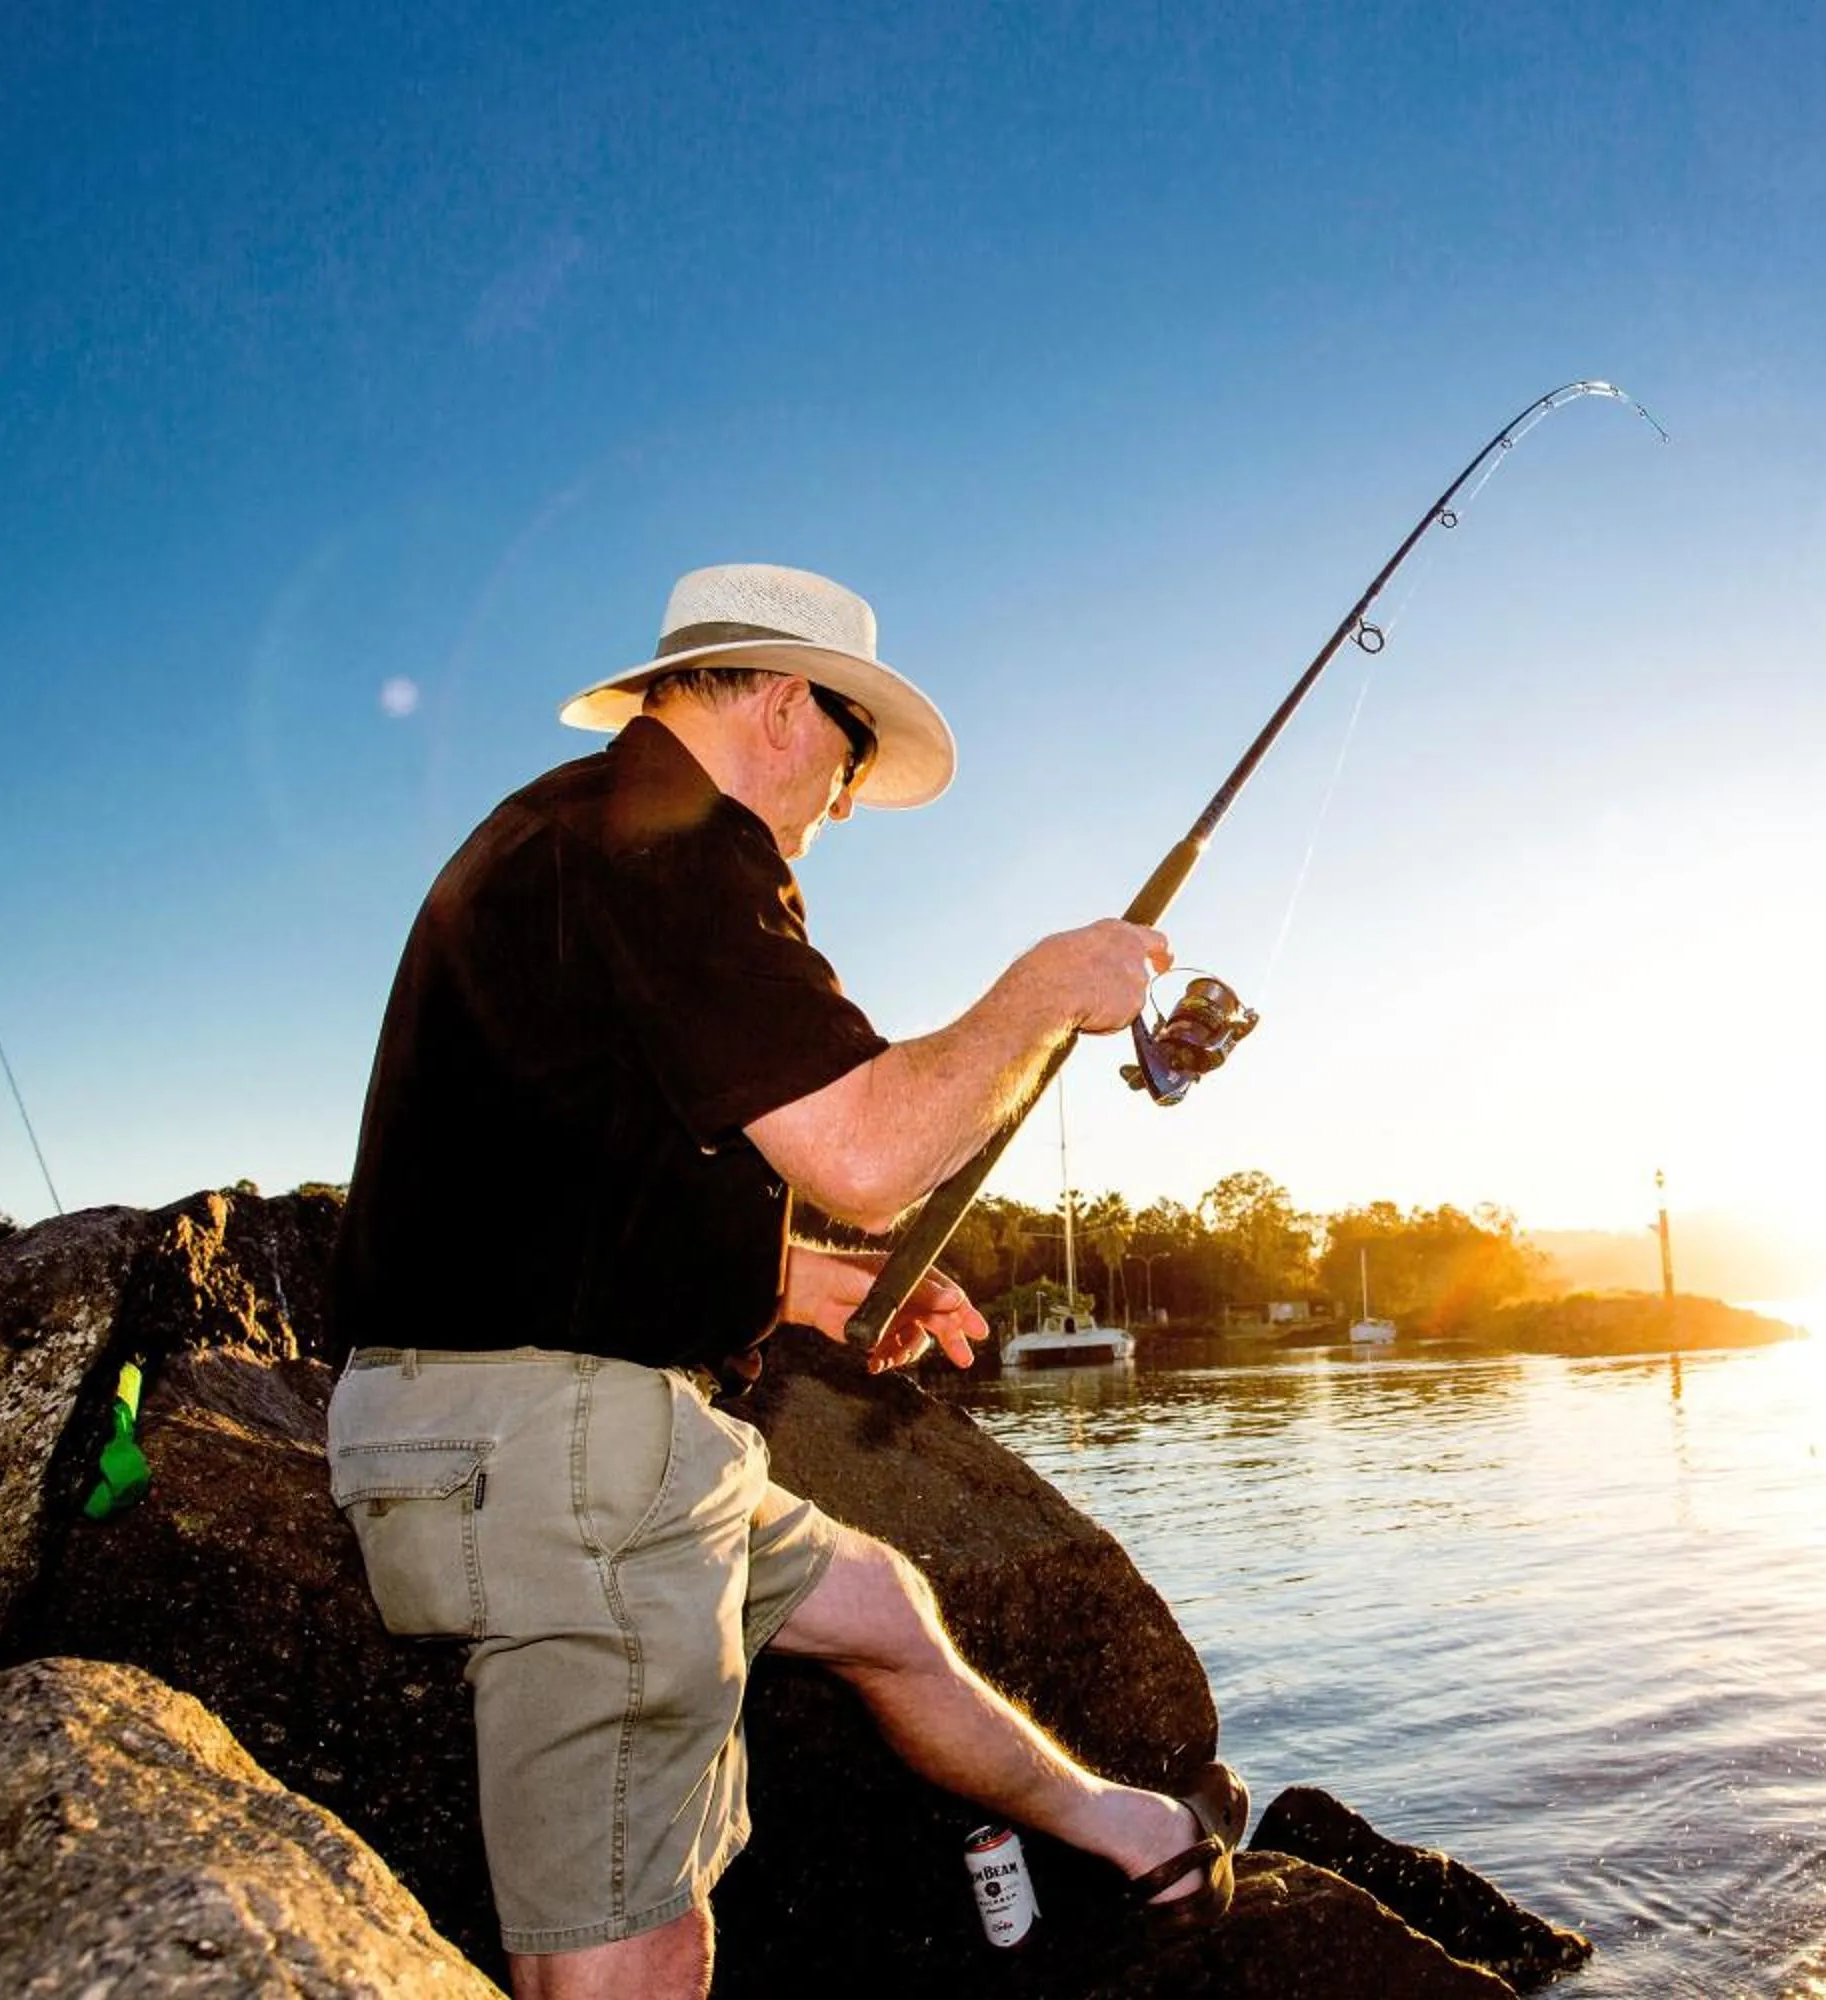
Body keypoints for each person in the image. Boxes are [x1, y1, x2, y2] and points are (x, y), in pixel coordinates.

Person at [326, 562, 1242, 1999]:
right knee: (637, 1947)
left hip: (527, 1425)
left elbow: (569, 1169)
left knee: (873, 1604)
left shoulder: (559, 833)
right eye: (854, 754)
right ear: (781, 703)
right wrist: (1042, 993)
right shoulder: (678, 850)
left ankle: (1134, 1836)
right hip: (573, 1456)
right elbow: (869, 1147)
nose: (848, 800)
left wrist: (802, 1282)